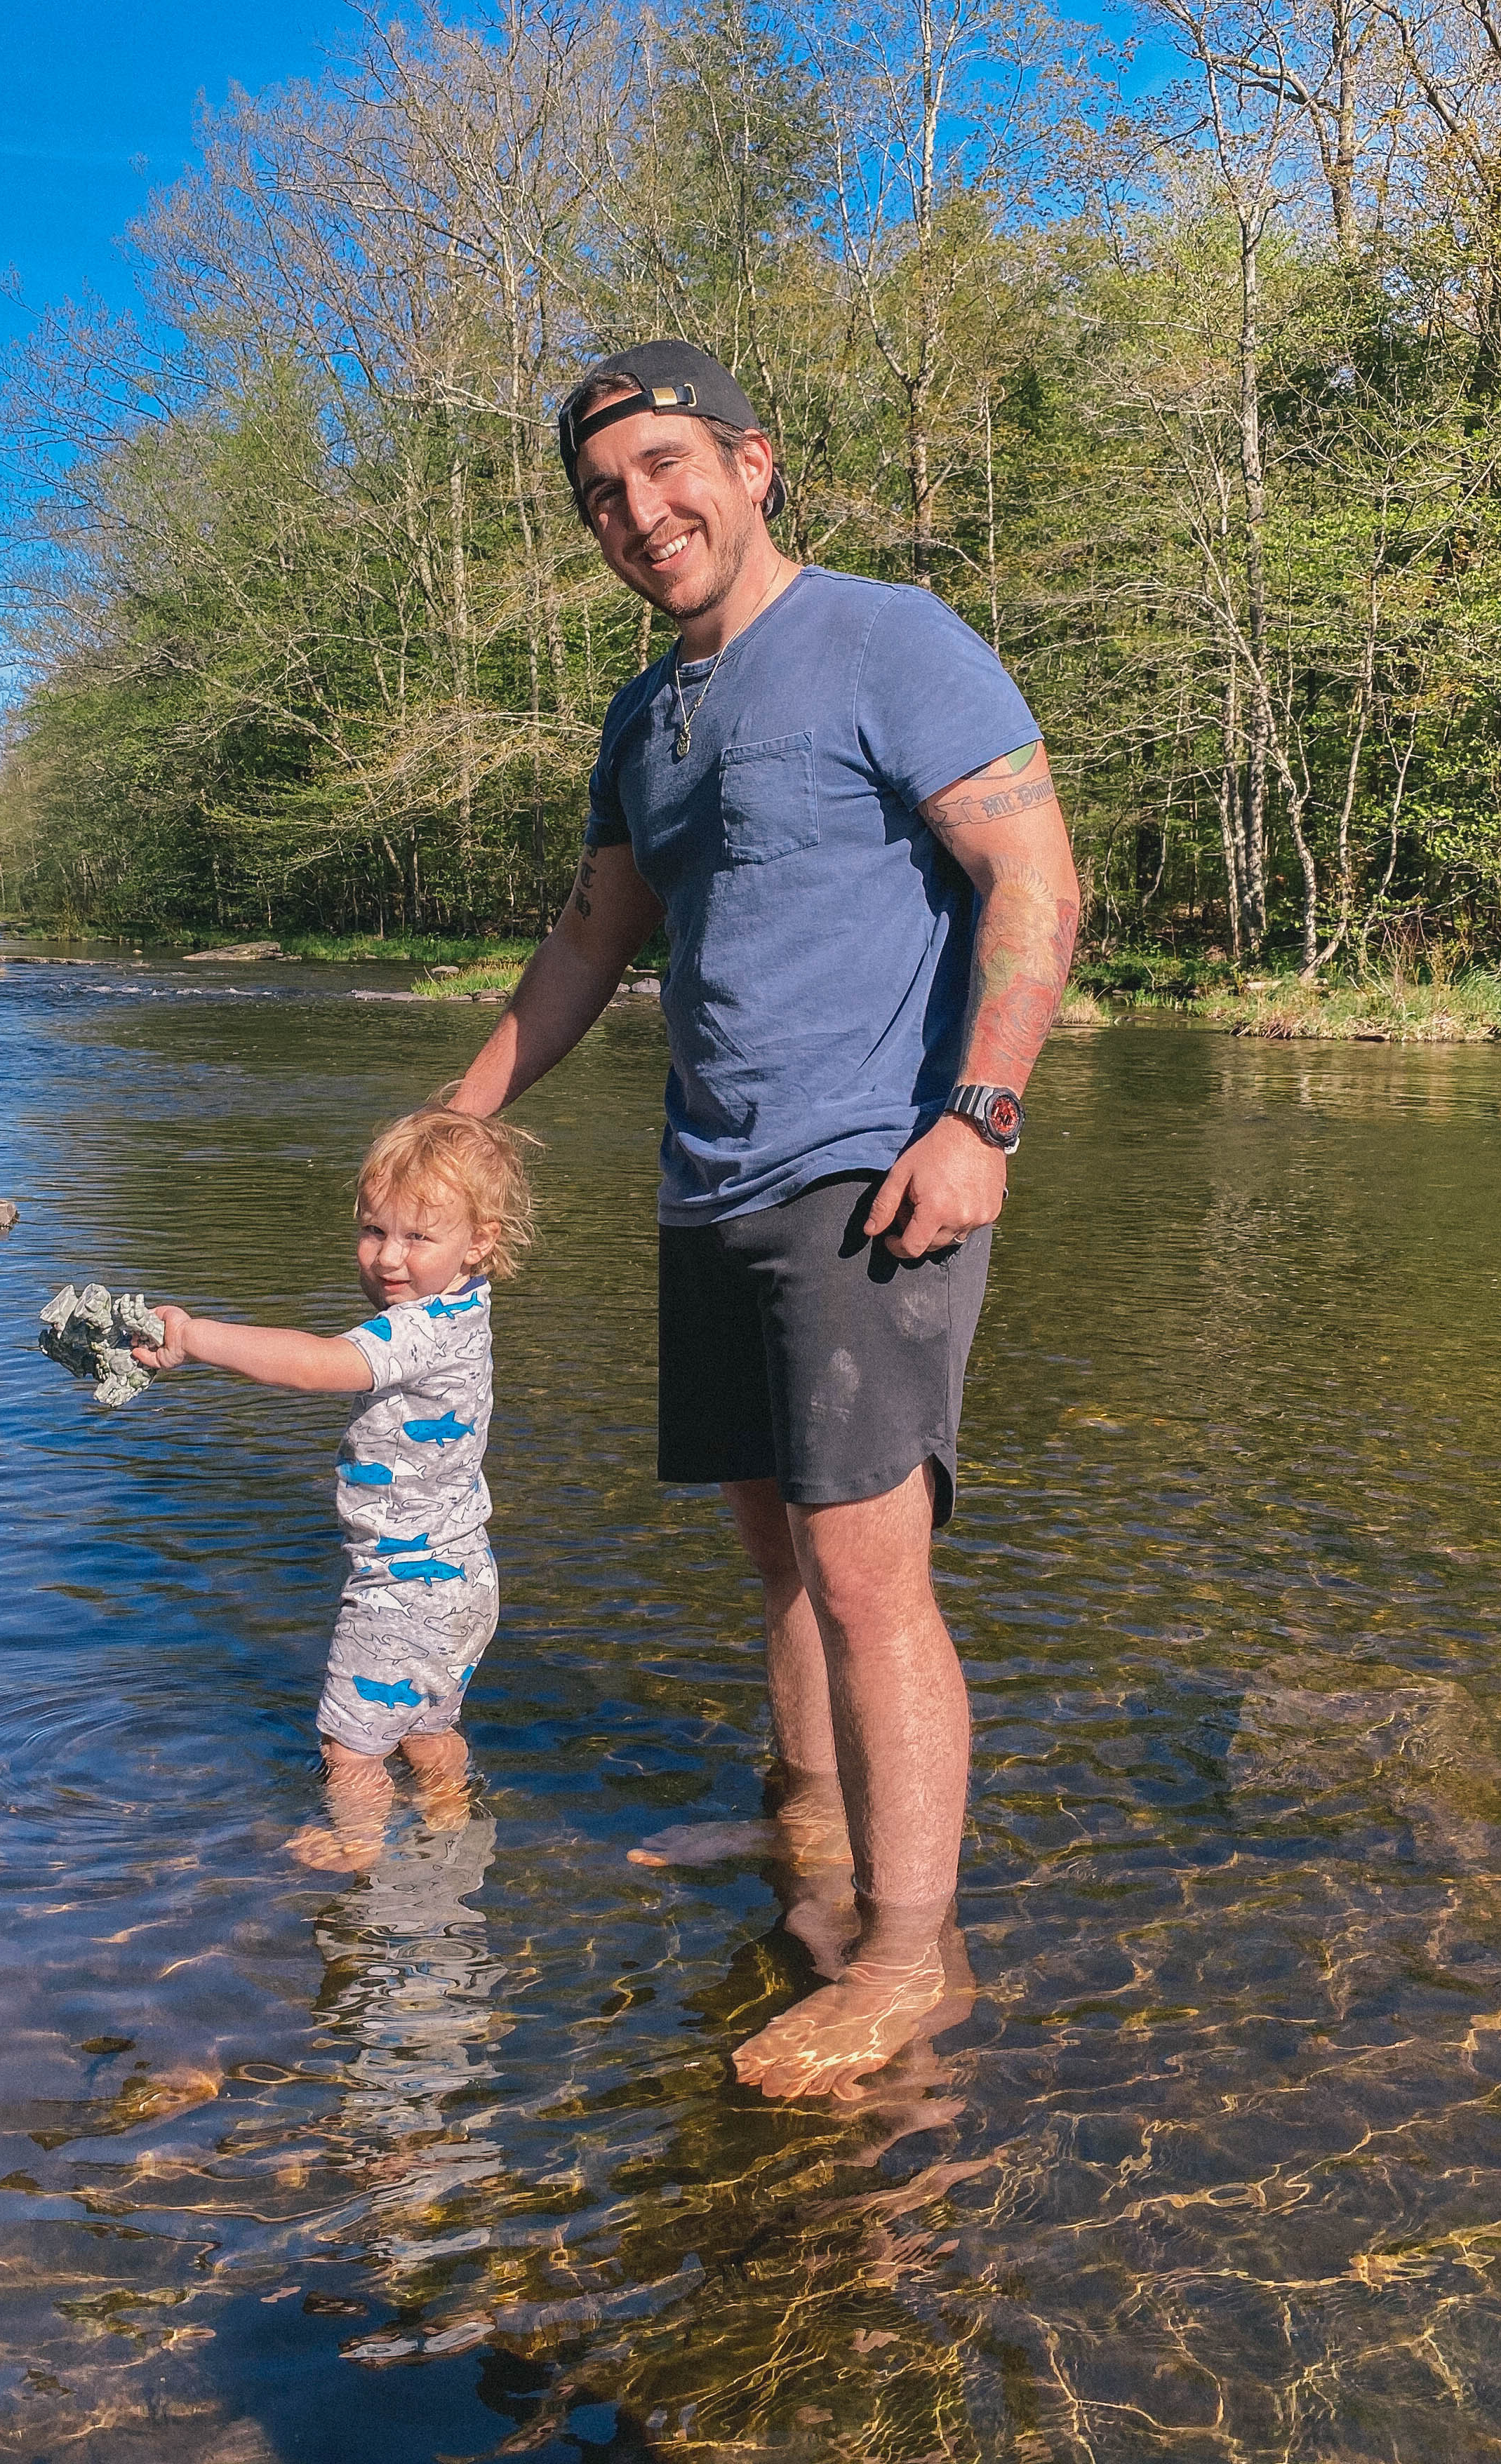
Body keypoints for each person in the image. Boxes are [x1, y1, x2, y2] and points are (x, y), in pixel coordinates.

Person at [447, 340, 1079, 2103]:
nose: (640, 513)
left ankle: (911, 1954)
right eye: (602, 496)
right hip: (706, 1180)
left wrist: (981, 1117)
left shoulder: (892, 638)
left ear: (754, 462)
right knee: (777, 1563)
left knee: (877, 1577)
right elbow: (590, 941)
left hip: (871, 1173)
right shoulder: (644, 719)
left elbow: (1034, 872)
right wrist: (453, 1111)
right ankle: (807, 1842)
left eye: (666, 469)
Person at [134, 1105, 536, 1869]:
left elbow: (321, 1363)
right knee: (423, 1729)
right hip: (463, 1577)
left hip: (405, 1583)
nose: (390, 1258)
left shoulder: (415, 1330)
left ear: (479, 1242)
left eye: (419, 1237)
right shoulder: (464, 1308)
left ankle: (358, 1843)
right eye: (375, 1230)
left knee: (348, 1745)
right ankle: (450, 1820)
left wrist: (194, 1338)